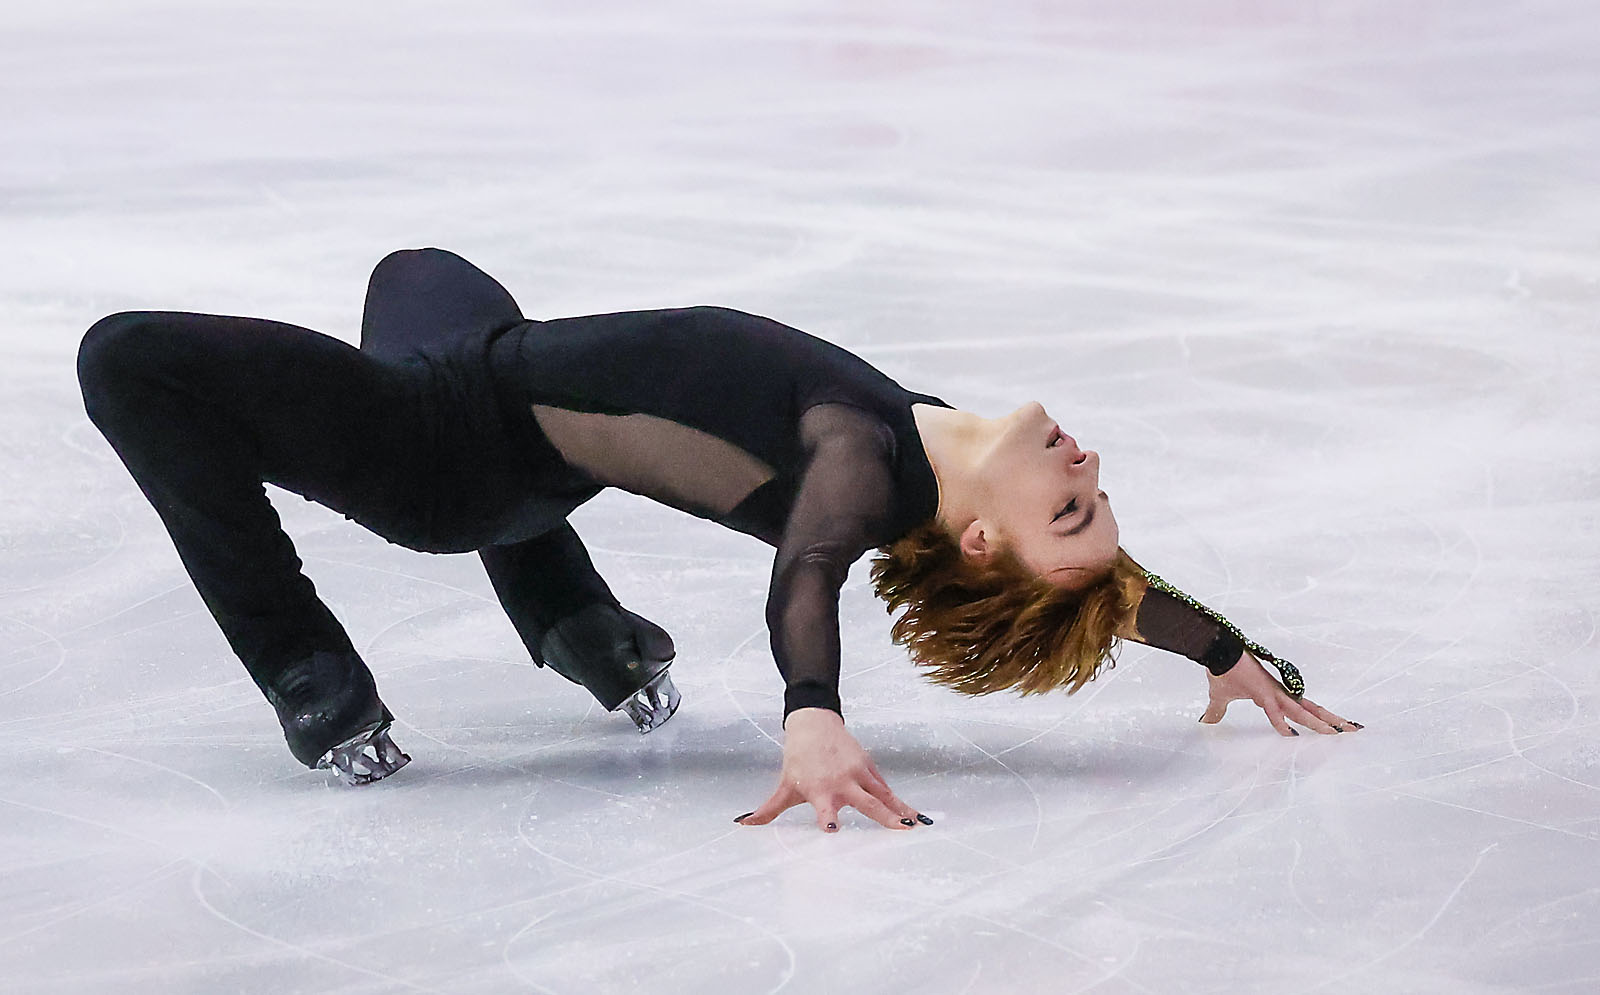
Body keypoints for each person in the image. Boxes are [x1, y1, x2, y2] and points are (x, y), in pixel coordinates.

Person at [75, 248, 1361, 831]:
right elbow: (1106, 589)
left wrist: (812, 712)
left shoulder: (861, 467)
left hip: (435, 455)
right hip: (506, 439)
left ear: (978, 538)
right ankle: (576, 618)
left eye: (1070, 504)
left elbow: (805, 574)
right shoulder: (938, 451)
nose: (1085, 468)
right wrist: (1225, 648)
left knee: (129, 361)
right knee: (420, 273)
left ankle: (311, 674)